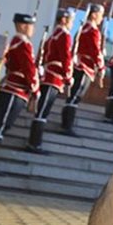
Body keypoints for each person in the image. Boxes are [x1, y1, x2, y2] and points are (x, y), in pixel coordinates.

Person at [0, 13, 39, 175]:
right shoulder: (22, 43)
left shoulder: (19, 42)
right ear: (22, 26)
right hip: (13, 89)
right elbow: (28, 68)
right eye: (31, 25)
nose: (33, 29)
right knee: (0, 126)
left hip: (16, 89)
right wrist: (35, 88)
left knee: (3, 126)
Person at [26, 8, 75, 153]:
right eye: (71, 20)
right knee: (42, 111)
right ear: (64, 20)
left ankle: (34, 142)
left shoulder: (53, 35)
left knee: (42, 110)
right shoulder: (64, 35)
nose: (72, 24)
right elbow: (66, 57)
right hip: (54, 77)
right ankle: (34, 143)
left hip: (47, 75)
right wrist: (68, 76)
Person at [62, 4, 105, 136]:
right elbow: (95, 51)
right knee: (75, 96)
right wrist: (101, 66)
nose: (101, 18)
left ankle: (66, 122)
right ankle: (67, 125)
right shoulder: (92, 31)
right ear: (93, 14)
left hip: (79, 65)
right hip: (84, 67)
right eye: (100, 14)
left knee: (73, 96)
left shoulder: (83, 29)